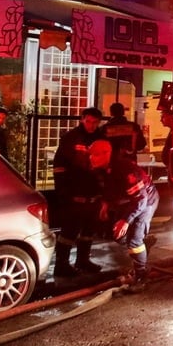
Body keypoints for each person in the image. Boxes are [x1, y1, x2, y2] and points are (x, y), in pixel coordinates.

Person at [88, 139, 160, 291]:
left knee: (133, 240)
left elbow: (141, 199)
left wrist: (126, 221)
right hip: (130, 201)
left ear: (106, 154)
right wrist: (105, 205)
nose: (91, 158)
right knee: (119, 235)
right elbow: (108, 189)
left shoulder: (124, 168)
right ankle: (143, 244)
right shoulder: (103, 169)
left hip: (146, 200)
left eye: (94, 155)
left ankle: (141, 275)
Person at [51, 107, 105, 276]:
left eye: (95, 122)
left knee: (88, 230)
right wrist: (62, 190)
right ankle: (61, 265)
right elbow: (59, 165)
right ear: (82, 119)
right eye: (88, 121)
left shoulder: (100, 138)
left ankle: (83, 260)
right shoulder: (71, 138)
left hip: (93, 193)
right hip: (73, 193)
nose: (91, 125)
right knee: (69, 231)